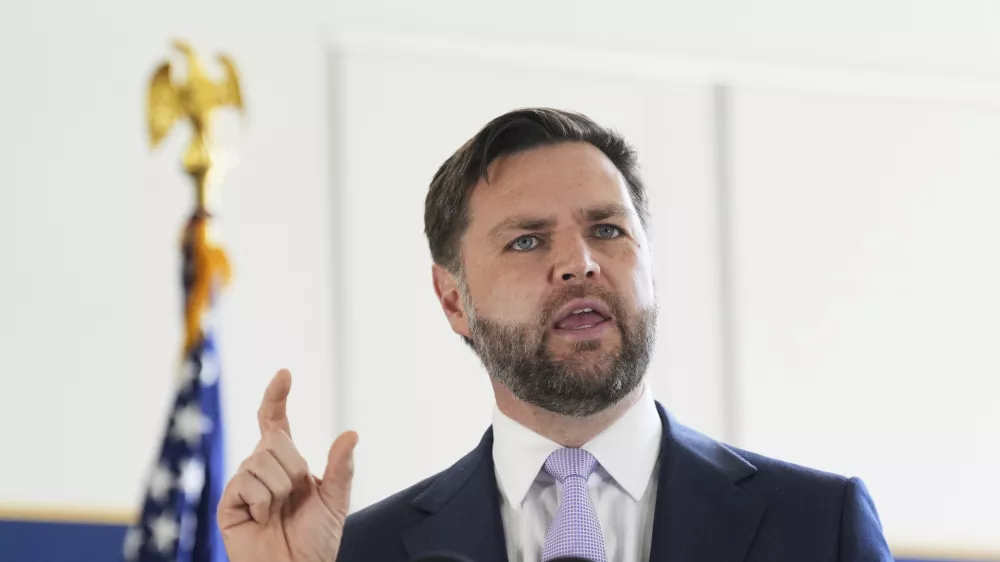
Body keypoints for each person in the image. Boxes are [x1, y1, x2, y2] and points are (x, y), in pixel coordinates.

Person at [217, 108, 894, 562]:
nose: (580, 262)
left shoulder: (818, 526)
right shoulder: (360, 551)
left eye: (607, 229)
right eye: (527, 240)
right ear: (453, 299)